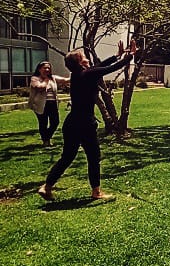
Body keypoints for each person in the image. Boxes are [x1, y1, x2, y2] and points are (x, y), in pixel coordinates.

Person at [37, 39, 136, 202]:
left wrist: (117, 55)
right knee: (93, 156)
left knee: (67, 157)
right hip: (85, 123)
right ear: (80, 63)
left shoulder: (77, 75)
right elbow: (108, 69)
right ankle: (96, 191)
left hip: (71, 123)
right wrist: (130, 56)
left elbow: (98, 68)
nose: (88, 59)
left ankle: (46, 187)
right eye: (84, 58)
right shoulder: (87, 74)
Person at [28, 61, 69, 147]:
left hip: (52, 103)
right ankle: (46, 141)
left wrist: (78, 72)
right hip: (40, 104)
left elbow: (65, 80)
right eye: (45, 68)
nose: (47, 69)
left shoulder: (53, 78)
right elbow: (40, 88)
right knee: (43, 123)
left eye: (49, 68)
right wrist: (46, 80)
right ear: (39, 69)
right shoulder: (35, 79)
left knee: (55, 122)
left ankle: (46, 137)